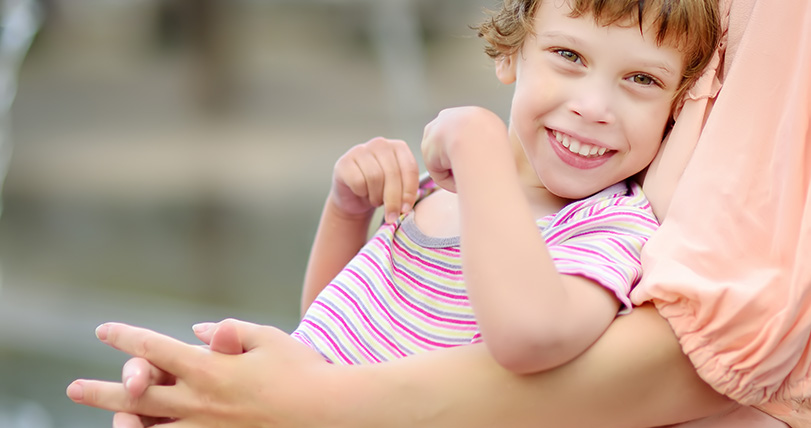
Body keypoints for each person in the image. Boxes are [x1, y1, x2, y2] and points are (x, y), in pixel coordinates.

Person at [65, 0, 811, 426]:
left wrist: (479, 139)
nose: (592, 105)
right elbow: (332, 326)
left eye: (639, 81)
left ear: (677, 111)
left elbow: (531, 337)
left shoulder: (611, 229)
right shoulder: (442, 193)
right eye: (569, 58)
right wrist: (345, 212)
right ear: (510, 53)